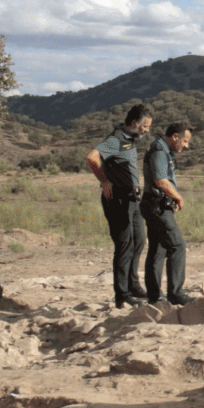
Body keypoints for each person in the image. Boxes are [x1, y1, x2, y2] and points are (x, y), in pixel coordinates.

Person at [85, 104, 152, 308]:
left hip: (133, 199)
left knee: (138, 240)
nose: (147, 130)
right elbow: (92, 157)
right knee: (124, 245)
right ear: (134, 123)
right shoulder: (116, 139)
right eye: (145, 126)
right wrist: (104, 181)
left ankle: (133, 285)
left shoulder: (129, 140)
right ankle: (122, 295)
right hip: (118, 200)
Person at [142, 122, 194, 305]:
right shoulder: (159, 151)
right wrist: (178, 197)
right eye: (185, 141)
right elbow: (161, 180)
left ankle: (155, 297)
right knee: (177, 246)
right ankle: (176, 294)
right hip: (157, 206)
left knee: (158, 249)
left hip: (153, 204)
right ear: (175, 137)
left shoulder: (161, 149)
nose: (186, 145)